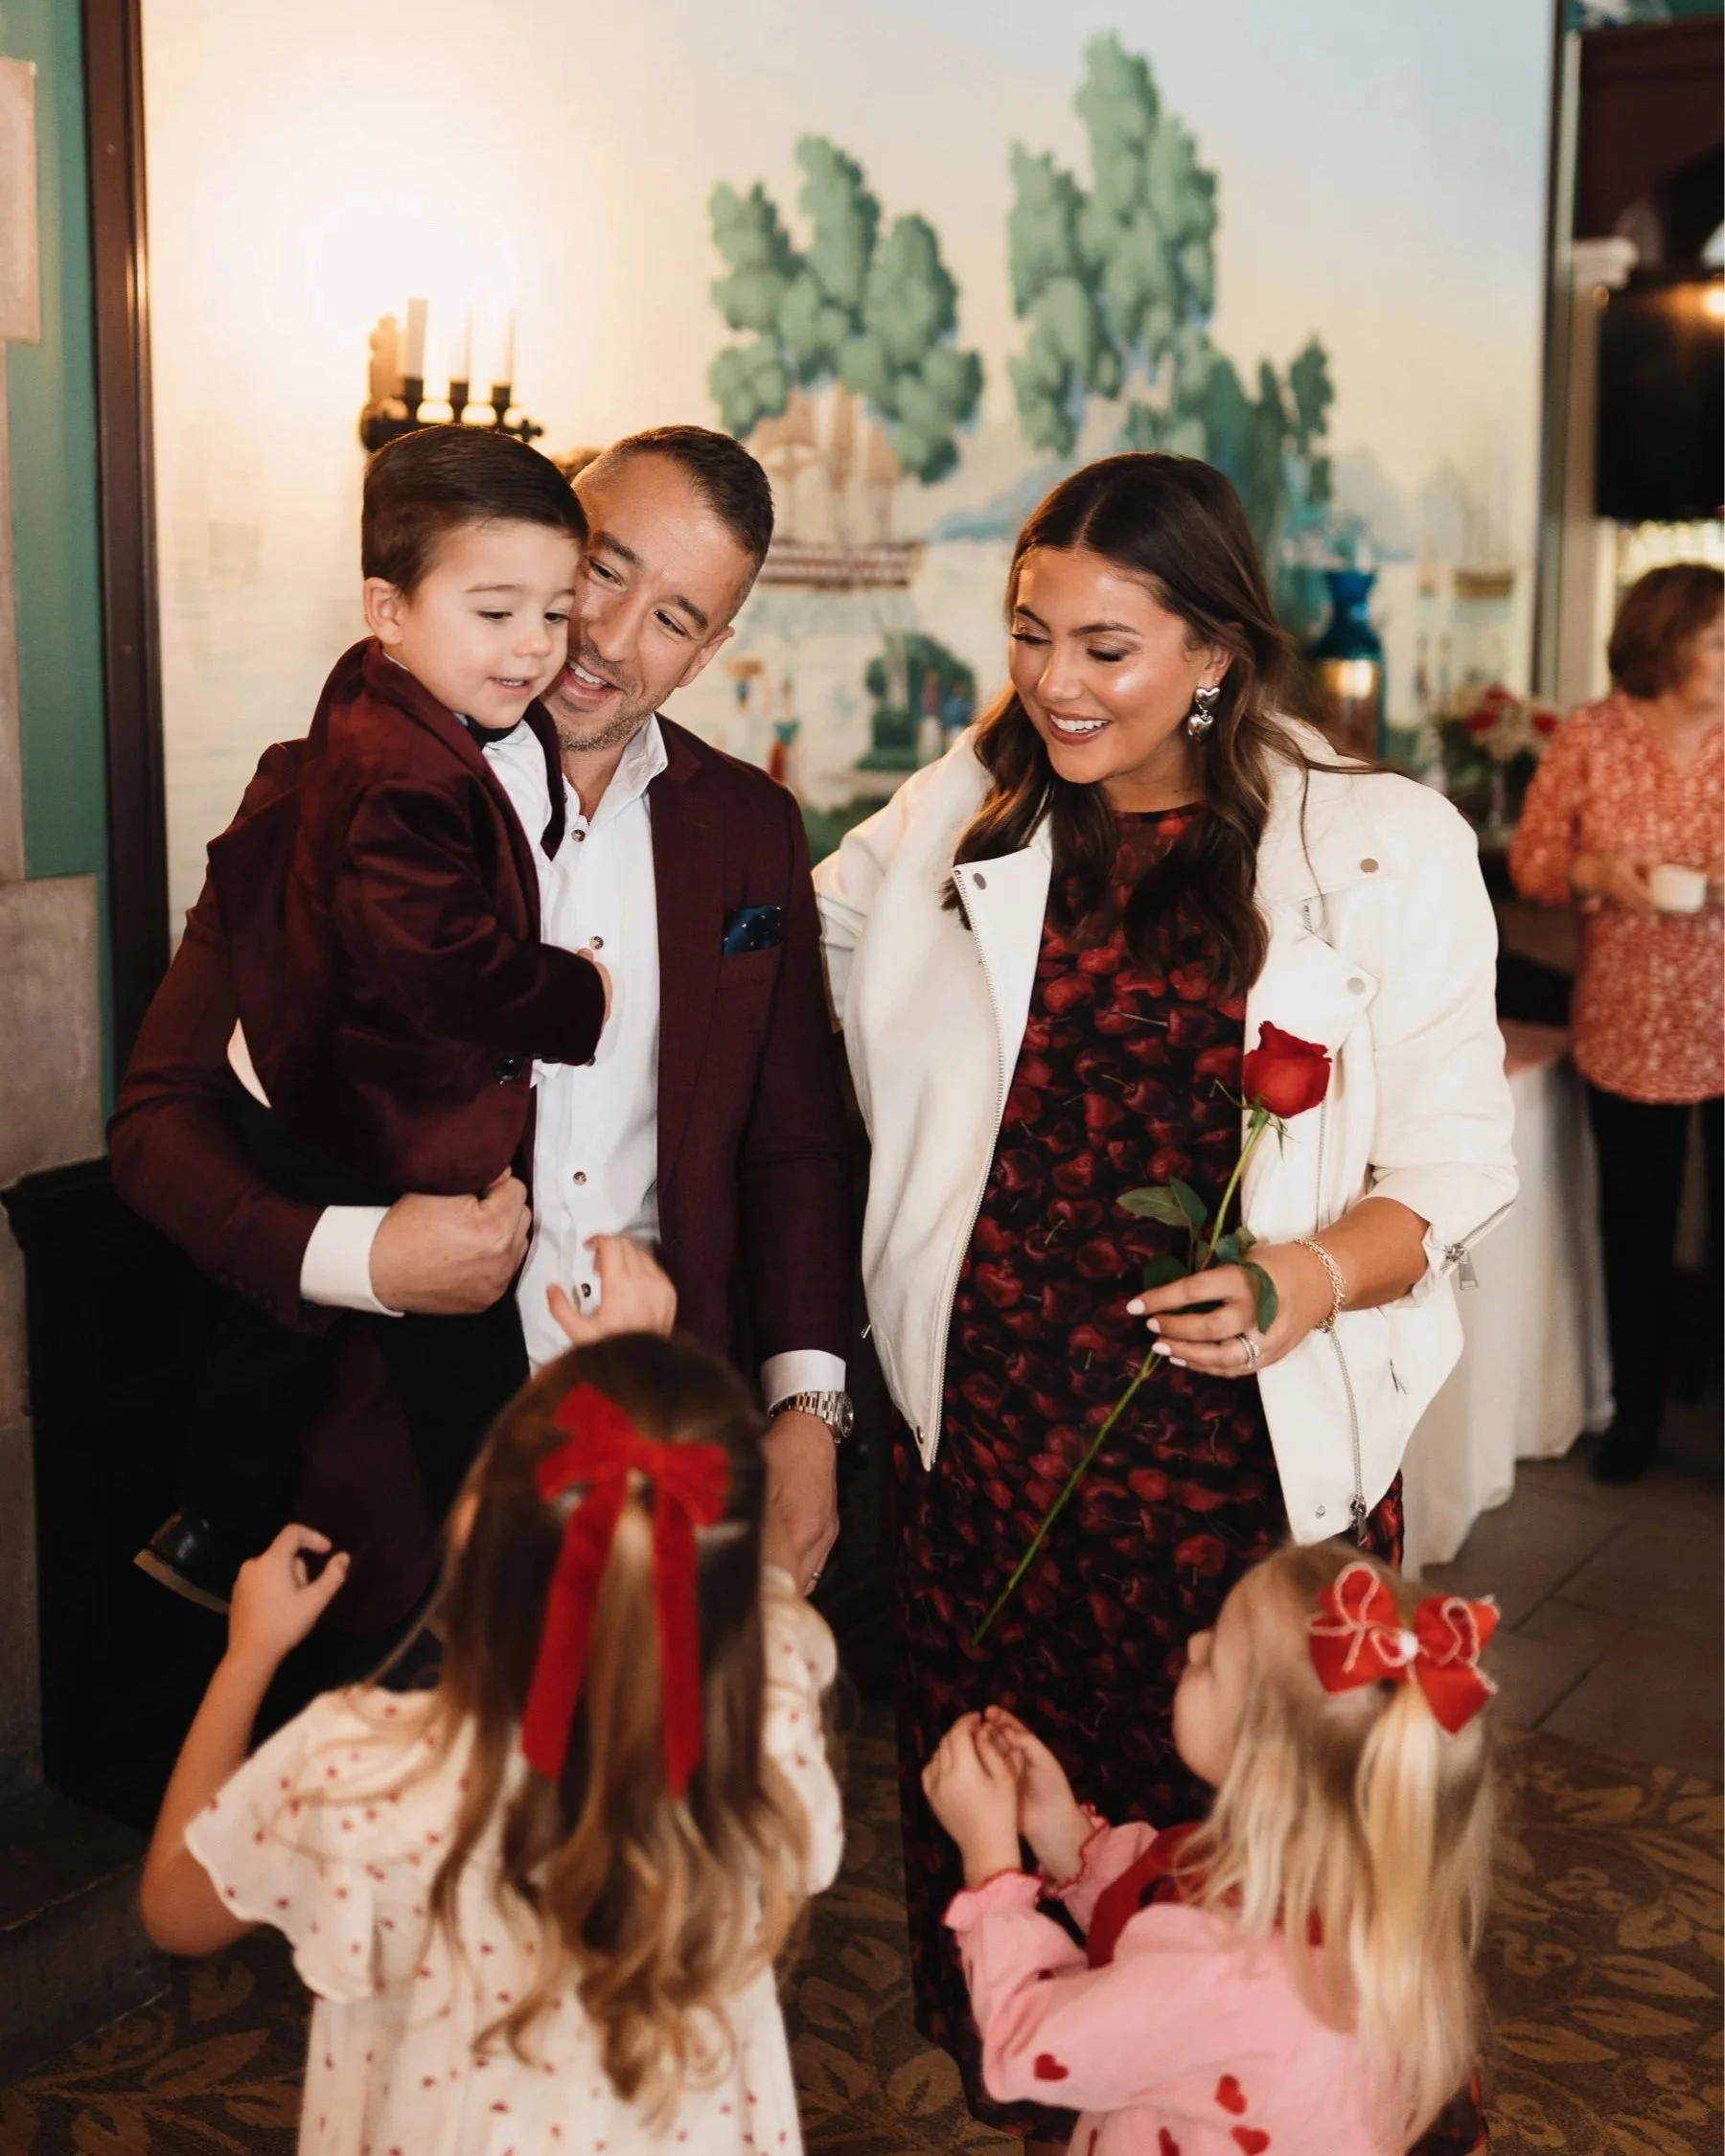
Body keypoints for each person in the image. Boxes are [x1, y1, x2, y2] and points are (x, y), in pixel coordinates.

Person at [813, 452, 1516, 2145]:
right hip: (992, 1450)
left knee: (1251, 1868)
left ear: (1215, 650)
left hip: (1237, 1475)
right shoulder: (965, 805)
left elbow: (1454, 1163)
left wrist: (1302, 1278)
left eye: (1106, 647)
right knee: (1013, 1819)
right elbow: (808, 955)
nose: (1054, 681)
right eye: (1029, 632)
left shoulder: (1378, 842)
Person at [111, 425, 854, 1688]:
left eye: (675, 618)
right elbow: (155, 1123)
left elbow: (791, 1146)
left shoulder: (750, 829)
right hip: (385, 1495)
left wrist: (809, 1410)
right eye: (603, 570)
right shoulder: (323, 794)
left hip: (662, 1465)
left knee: (659, 1818)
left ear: (711, 648)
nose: (606, 636)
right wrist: (364, 1258)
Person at [137, 1260, 843, 2156]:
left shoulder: (362, 1766)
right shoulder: (767, 1721)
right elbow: (742, 1579)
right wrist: (640, 1370)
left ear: (469, 1530)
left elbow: (175, 1906)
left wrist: (250, 1655)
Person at [136, 425, 610, 1610]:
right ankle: (459, 1562)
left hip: (607, 1335)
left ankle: (215, 1525)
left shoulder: (455, 717)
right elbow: (153, 1121)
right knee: (446, 1385)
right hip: (362, 1109)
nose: (544, 645)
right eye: (497, 611)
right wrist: (575, 995)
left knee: (299, 1364)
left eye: (557, 611)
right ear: (387, 610)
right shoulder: (365, 776)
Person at [923, 1541, 1499, 2155]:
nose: (1194, 1646)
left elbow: (1023, 2043)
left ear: (1266, 1768)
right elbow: (1167, 1906)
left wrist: (989, 1862)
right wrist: (1062, 1833)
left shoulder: (1223, 1975)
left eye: (1214, 1660)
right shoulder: (1369, 1897)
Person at [1508, 562, 1724, 1482]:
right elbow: (1531, 860)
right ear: (1664, 644)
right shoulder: (1592, 735)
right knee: (1635, 1228)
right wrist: (1596, 874)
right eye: (1718, 639)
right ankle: (1636, 1412)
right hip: (1629, 1020)